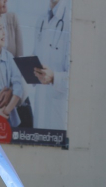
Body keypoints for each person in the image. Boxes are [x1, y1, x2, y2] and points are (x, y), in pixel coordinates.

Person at [30, 0, 71, 131]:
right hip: (39, 107)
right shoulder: (41, 21)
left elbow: (78, 79)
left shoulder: (70, 22)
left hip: (57, 112)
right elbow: (36, 56)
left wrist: (54, 78)